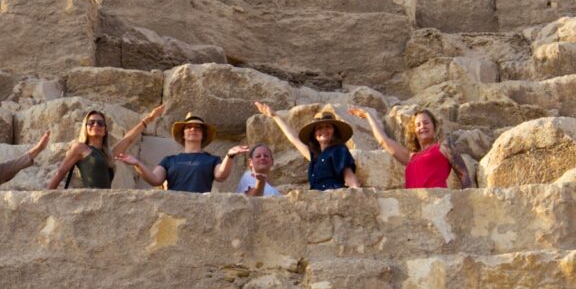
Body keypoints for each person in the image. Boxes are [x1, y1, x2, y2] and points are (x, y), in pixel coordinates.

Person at [116, 113, 248, 193]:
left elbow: (221, 175)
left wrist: (229, 155)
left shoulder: (211, 160)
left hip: (201, 206)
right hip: (175, 205)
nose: (193, 129)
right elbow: (155, 179)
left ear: (203, 135)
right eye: (188, 127)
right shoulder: (169, 160)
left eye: (197, 128)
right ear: (183, 134)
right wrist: (137, 163)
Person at [46, 104, 166, 190]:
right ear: (85, 127)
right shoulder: (80, 148)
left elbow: (128, 139)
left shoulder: (108, 155)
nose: (95, 125)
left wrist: (149, 118)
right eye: (91, 122)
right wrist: (47, 197)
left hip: (106, 200)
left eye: (100, 123)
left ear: (105, 130)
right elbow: (61, 172)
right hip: (90, 199)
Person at [347, 107, 473, 188]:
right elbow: (384, 140)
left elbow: (463, 174)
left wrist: (465, 203)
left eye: (426, 123)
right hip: (415, 205)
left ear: (435, 127)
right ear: (414, 131)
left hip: (437, 202)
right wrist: (368, 115)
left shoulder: (444, 146)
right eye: (418, 125)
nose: (422, 126)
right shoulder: (410, 156)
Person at [254, 102, 359, 190]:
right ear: (314, 134)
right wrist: (275, 116)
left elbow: (348, 174)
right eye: (319, 128)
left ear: (335, 132)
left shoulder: (339, 150)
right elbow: (294, 138)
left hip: (334, 196)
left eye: (328, 126)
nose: (323, 130)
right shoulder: (315, 156)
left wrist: (356, 191)